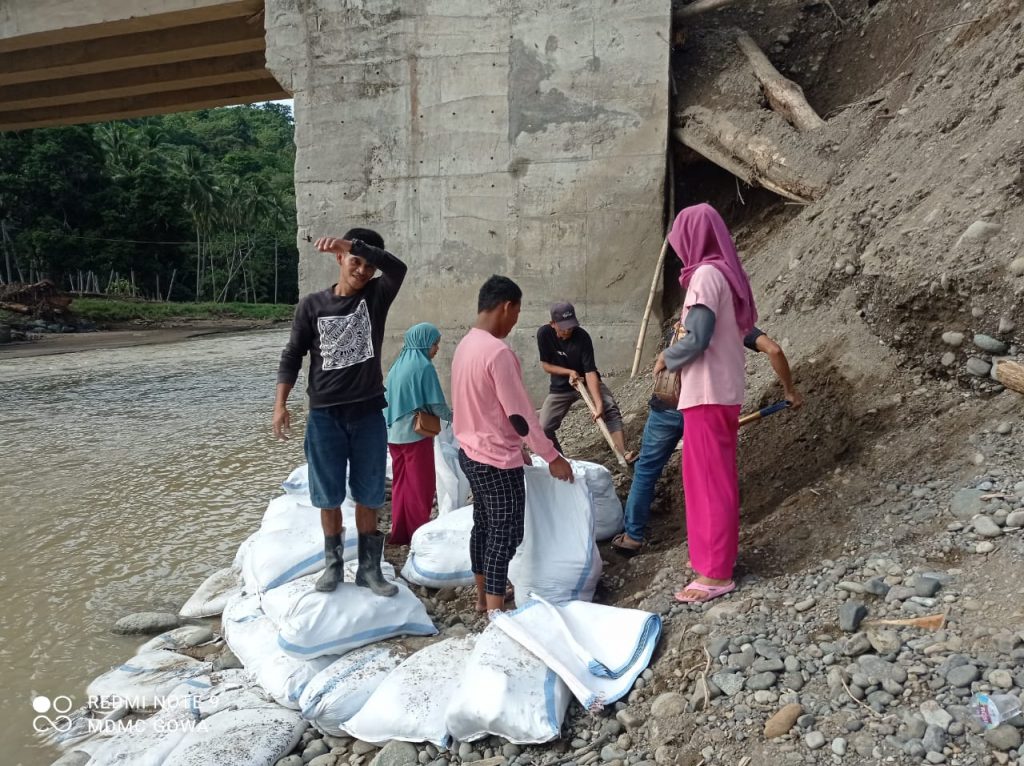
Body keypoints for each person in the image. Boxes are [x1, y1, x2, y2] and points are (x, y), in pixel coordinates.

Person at [273, 228, 406, 596]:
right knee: (327, 496)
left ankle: (369, 569)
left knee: (369, 495)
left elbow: (398, 269)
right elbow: (292, 355)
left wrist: (356, 245)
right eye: (354, 261)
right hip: (324, 418)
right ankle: (333, 565)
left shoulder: (377, 297)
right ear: (339, 260)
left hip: (367, 416)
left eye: (367, 264)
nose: (362, 270)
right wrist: (280, 404)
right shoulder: (312, 306)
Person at [611, 324, 803, 553]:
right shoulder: (731, 321)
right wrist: (789, 390)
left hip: (666, 407)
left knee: (646, 471)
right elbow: (774, 350)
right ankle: (709, 541)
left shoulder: (687, 320)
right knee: (709, 476)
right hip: (703, 410)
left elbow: (661, 363)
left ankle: (632, 537)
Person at [451, 276, 575, 613]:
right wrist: (551, 455)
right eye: (517, 313)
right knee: (503, 536)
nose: (515, 321)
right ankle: (496, 614)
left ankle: (482, 600)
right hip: (495, 461)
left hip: (469, 453)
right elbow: (520, 414)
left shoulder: (466, 345)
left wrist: (519, 446)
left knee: (484, 525)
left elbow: (484, 406)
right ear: (506, 306)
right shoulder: (497, 352)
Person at [655, 203, 757, 604]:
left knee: (708, 482)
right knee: (707, 479)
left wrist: (668, 357)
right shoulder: (724, 274)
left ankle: (715, 573)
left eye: (681, 241)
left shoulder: (704, 275)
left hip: (707, 393)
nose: (680, 250)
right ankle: (708, 557)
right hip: (720, 391)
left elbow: (696, 337)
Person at [383, 322, 451, 546]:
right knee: (421, 485)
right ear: (423, 343)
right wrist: (454, 417)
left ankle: (399, 532)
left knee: (401, 483)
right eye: (434, 344)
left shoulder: (397, 366)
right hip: (415, 435)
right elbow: (435, 403)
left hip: (393, 435)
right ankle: (417, 532)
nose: (436, 349)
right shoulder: (423, 367)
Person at [536, 301, 626, 457]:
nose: (568, 330)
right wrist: (569, 372)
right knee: (543, 427)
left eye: (571, 326)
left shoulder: (582, 337)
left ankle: (622, 454)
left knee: (609, 408)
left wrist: (598, 405)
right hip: (561, 388)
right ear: (553, 324)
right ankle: (560, 460)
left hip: (586, 382)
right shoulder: (544, 334)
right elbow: (546, 366)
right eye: (564, 327)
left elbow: (590, 371)